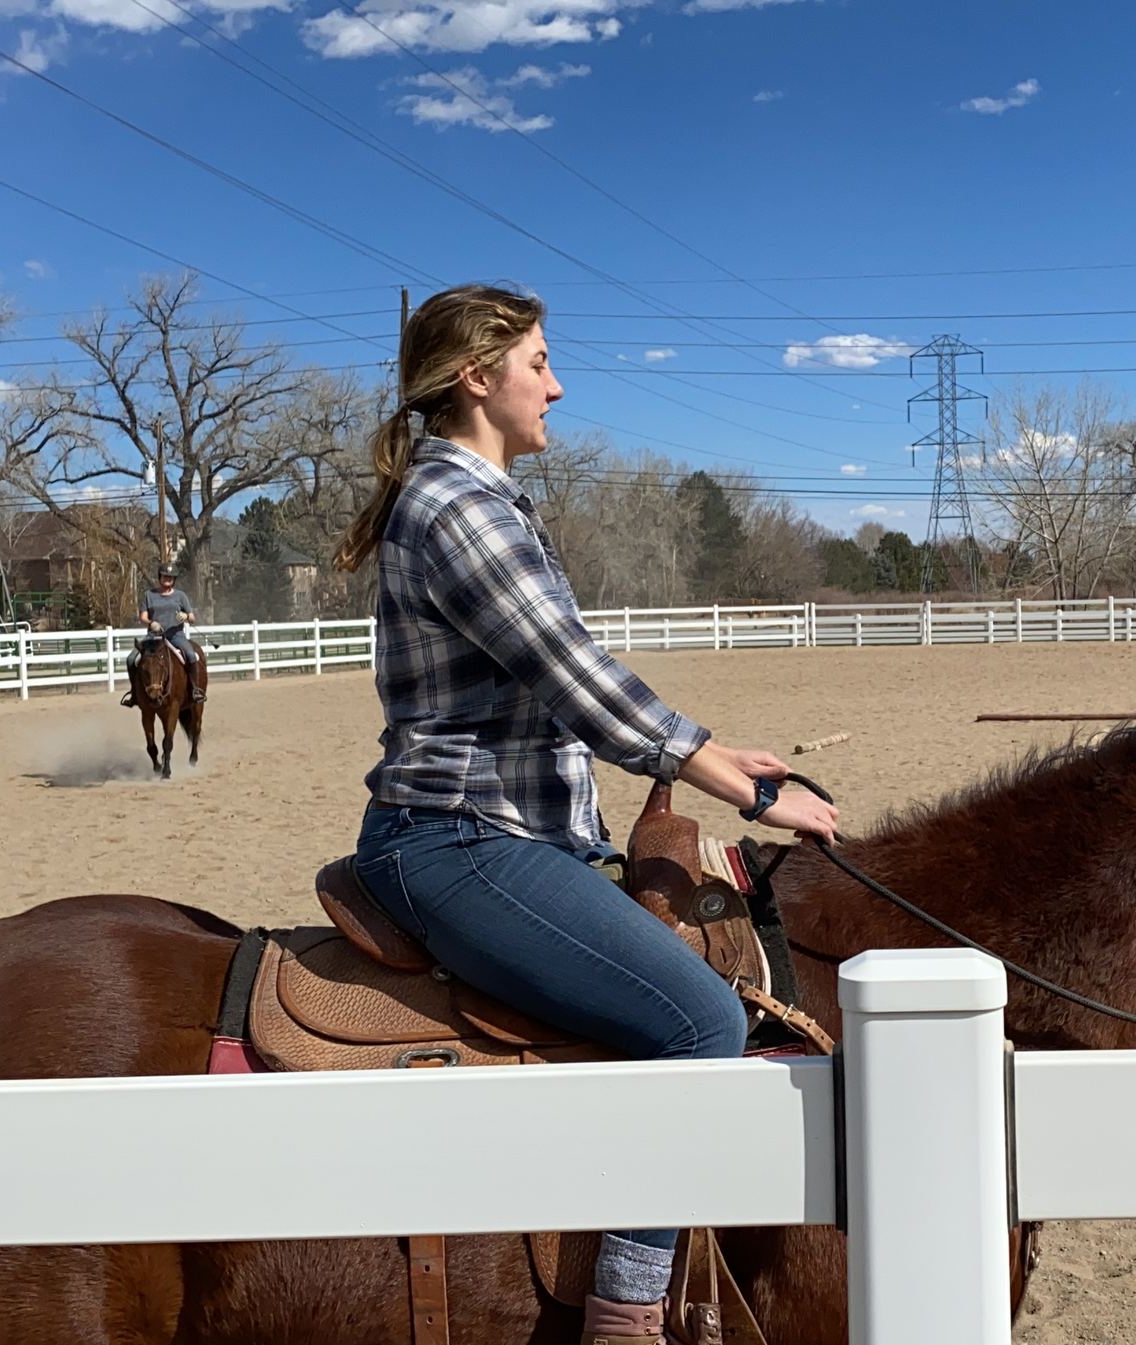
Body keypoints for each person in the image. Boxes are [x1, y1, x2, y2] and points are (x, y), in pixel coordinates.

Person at [335, 285, 839, 1345]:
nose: (556, 386)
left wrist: (715, 747)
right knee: (697, 1020)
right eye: (539, 364)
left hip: (503, 834)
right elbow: (572, 674)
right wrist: (738, 784)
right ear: (478, 378)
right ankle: (627, 1305)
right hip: (461, 838)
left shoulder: (481, 499)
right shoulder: (457, 506)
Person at [121, 563, 204, 706]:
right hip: (153, 637)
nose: (168, 579)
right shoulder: (149, 595)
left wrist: (185, 616)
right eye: (165, 576)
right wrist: (150, 623)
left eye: (171, 577)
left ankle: (195, 690)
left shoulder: (181, 596)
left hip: (176, 636)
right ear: (160, 577)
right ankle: (134, 693)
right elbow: (143, 618)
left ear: (174, 579)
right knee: (130, 659)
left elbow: (192, 618)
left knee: (191, 655)